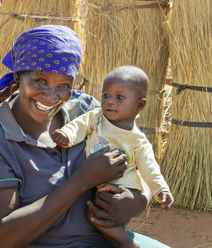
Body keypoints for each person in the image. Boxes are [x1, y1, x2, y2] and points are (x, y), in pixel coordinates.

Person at [0, 25, 170, 247]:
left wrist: (138, 200)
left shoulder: (87, 112)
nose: (51, 96)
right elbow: (1, 239)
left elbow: (138, 156)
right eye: (40, 81)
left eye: (63, 85)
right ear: (20, 75)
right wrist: (81, 181)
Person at [52, 65, 174, 247]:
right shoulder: (97, 117)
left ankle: (126, 243)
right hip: (97, 186)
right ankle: (118, 242)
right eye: (106, 95)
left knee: (97, 216)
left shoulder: (138, 141)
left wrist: (161, 190)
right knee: (98, 221)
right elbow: (79, 126)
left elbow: (150, 168)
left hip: (122, 191)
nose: (110, 101)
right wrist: (67, 135)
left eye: (120, 98)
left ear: (140, 105)